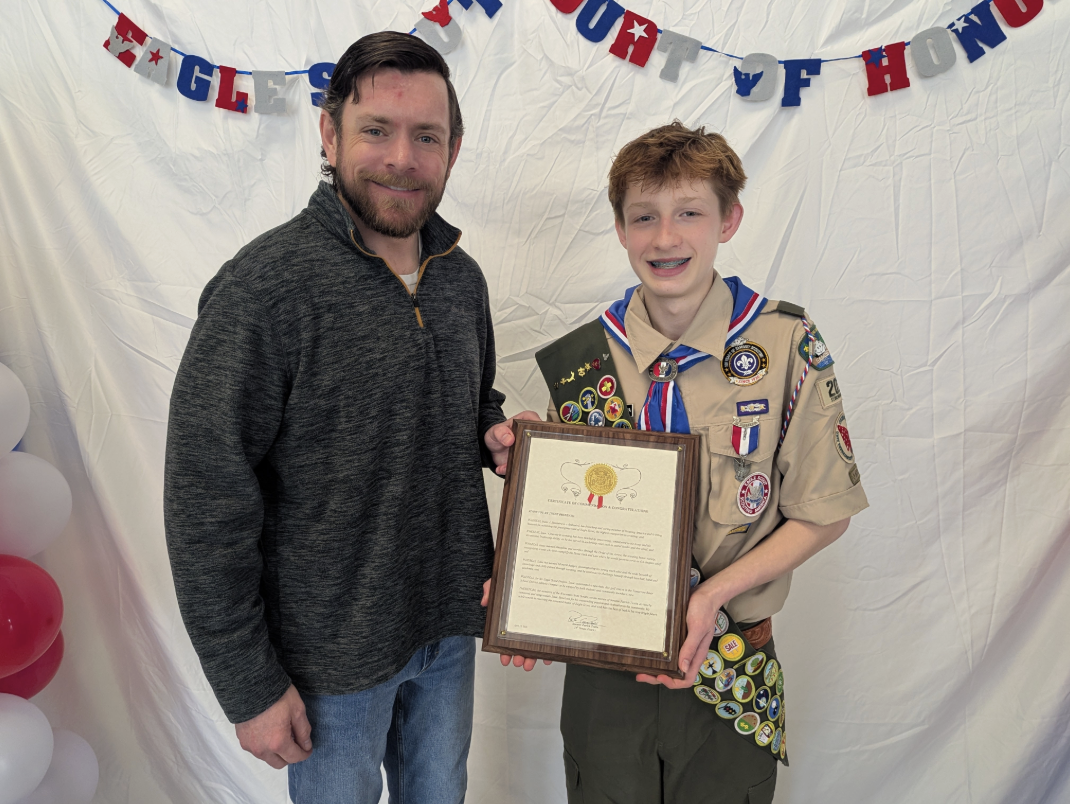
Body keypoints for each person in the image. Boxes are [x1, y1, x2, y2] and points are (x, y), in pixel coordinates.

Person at [164, 31, 535, 804]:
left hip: (448, 626)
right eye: (376, 130)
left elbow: (470, 400)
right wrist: (248, 684)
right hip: (329, 660)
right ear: (329, 136)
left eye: (426, 136)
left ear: (453, 150)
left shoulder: (461, 280)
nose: (402, 157)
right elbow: (205, 497)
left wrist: (495, 434)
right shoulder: (265, 290)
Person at [530, 122, 870, 803]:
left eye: (689, 213)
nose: (666, 238)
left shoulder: (786, 343)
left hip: (731, 670)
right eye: (644, 217)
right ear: (620, 229)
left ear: (729, 219)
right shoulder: (584, 363)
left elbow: (824, 512)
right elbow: (568, 528)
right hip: (607, 679)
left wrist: (711, 595)